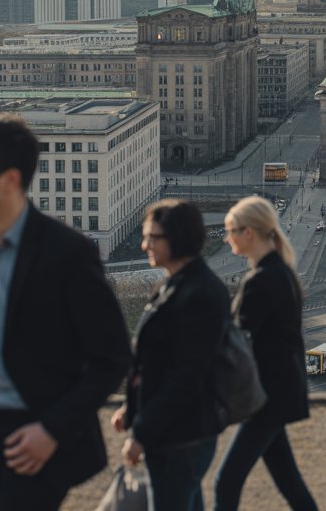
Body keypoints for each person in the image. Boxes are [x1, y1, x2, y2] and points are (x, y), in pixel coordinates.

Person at [0, 114, 132, 511]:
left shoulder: (68, 252)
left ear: (10, 179)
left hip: (36, 435)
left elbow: (113, 358)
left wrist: (52, 430)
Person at [111, 200, 231, 510]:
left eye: (153, 237)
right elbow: (157, 363)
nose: (144, 245)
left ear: (178, 238)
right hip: (179, 431)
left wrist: (142, 433)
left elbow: (185, 377)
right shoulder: (180, 285)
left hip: (180, 435)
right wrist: (131, 405)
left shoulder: (198, 294)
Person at [213, 196, 317, 511]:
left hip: (267, 396)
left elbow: (237, 341)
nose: (227, 238)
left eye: (231, 231)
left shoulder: (262, 280)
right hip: (278, 392)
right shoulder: (280, 272)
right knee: (288, 481)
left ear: (249, 233)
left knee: (226, 482)